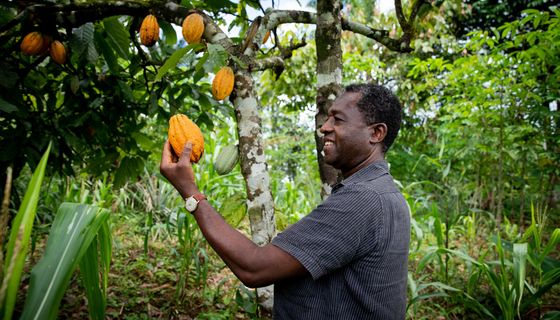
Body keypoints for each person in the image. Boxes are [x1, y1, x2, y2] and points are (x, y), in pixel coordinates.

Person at [160, 83, 410, 319]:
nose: (324, 127)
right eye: (328, 118)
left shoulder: (362, 199)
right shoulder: (384, 193)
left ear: (376, 133)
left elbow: (254, 268)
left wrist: (190, 192)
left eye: (338, 119)